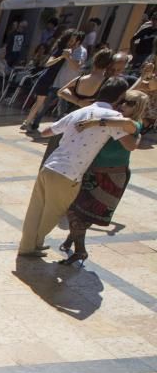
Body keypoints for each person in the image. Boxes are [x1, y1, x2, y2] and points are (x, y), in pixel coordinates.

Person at [17, 77, 131, 257]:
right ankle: (30, 246)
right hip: (69, 174)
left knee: (36, 209)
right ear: (120, 97)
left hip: (50, 166)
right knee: (53, 213)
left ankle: (30, 245)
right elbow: (129, 144)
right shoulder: (113, 118)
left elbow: (48, 131)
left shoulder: (82, 111)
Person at [59, 91, 145, 266]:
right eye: (122, 100)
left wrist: (96, 122)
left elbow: (129, 131)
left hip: (112, 176)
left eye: (129, 102)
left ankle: (80, 250)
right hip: (93, 172)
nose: (123, 104)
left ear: (138, 107)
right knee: (77, 211)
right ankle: (74, 243)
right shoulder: (113, 118)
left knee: (84, 213)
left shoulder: (133, 125)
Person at [21, 30, 80, 133]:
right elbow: (48, 63)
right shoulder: (60, 50)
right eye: (70, 40)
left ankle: (28, 121)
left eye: (74, 41)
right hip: (46, 79)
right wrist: (62, 56)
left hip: (53, 81)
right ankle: (27, 122)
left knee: (40, 103)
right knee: (39, 102)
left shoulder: (70, 51)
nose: (72, 43)